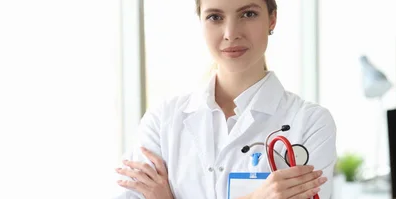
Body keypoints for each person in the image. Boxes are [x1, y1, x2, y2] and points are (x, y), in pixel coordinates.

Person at [112, 0, 337, 198]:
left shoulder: (311, 123)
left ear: (272, 19)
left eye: (248, 14)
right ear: (201, 22)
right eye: (215, 17)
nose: (231, 32)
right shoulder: (162, 122)